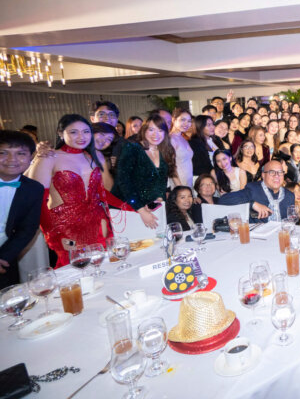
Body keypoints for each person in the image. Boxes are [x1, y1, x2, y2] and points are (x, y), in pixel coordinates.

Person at [30, 115, 115, 267]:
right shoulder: (49, 157)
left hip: (98, 222)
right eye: (74, 132)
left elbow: (106, 191)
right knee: (73, 271)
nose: (81, 137)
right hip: (66, 228)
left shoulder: (94, 156)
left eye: (86, 132)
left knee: (103, 268)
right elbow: (37, 201)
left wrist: (102, 162)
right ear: (60, 133)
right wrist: (53, 235)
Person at [115, 115, 178, 229]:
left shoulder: (165, 151)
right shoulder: (132, 148)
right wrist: (141, 210)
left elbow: (161, 182)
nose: (156, 134)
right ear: (144, 130)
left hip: (152, 207)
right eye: (151, 129)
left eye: (160, 130)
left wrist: (158, 199)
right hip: (129, 208)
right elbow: (123, 181)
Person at [0, 131, 44, 287]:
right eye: (3, 153)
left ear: (31, 156)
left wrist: (4, 257)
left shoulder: (33, 189)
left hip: (5, 259)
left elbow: (27, 229)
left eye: (20, 153)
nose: (12, 160)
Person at [219, 159, 296, 223]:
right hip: (258, 239)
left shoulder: (289, 196)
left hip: (281, 236)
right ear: (263, 175)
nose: (276, 176)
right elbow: (223, 200)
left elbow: (291, 221)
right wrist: (252, 204)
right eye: (271, 172)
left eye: (280, 172)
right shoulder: (253, 189)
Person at [170, 108, 194, 188]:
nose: (186, 123)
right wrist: (179, 187)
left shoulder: (182, 137)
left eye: (189, 121)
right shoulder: (171, 139)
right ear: (174, 120)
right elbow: (171, 166)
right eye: (183, 120)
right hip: (178, 184)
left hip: (188, 181)